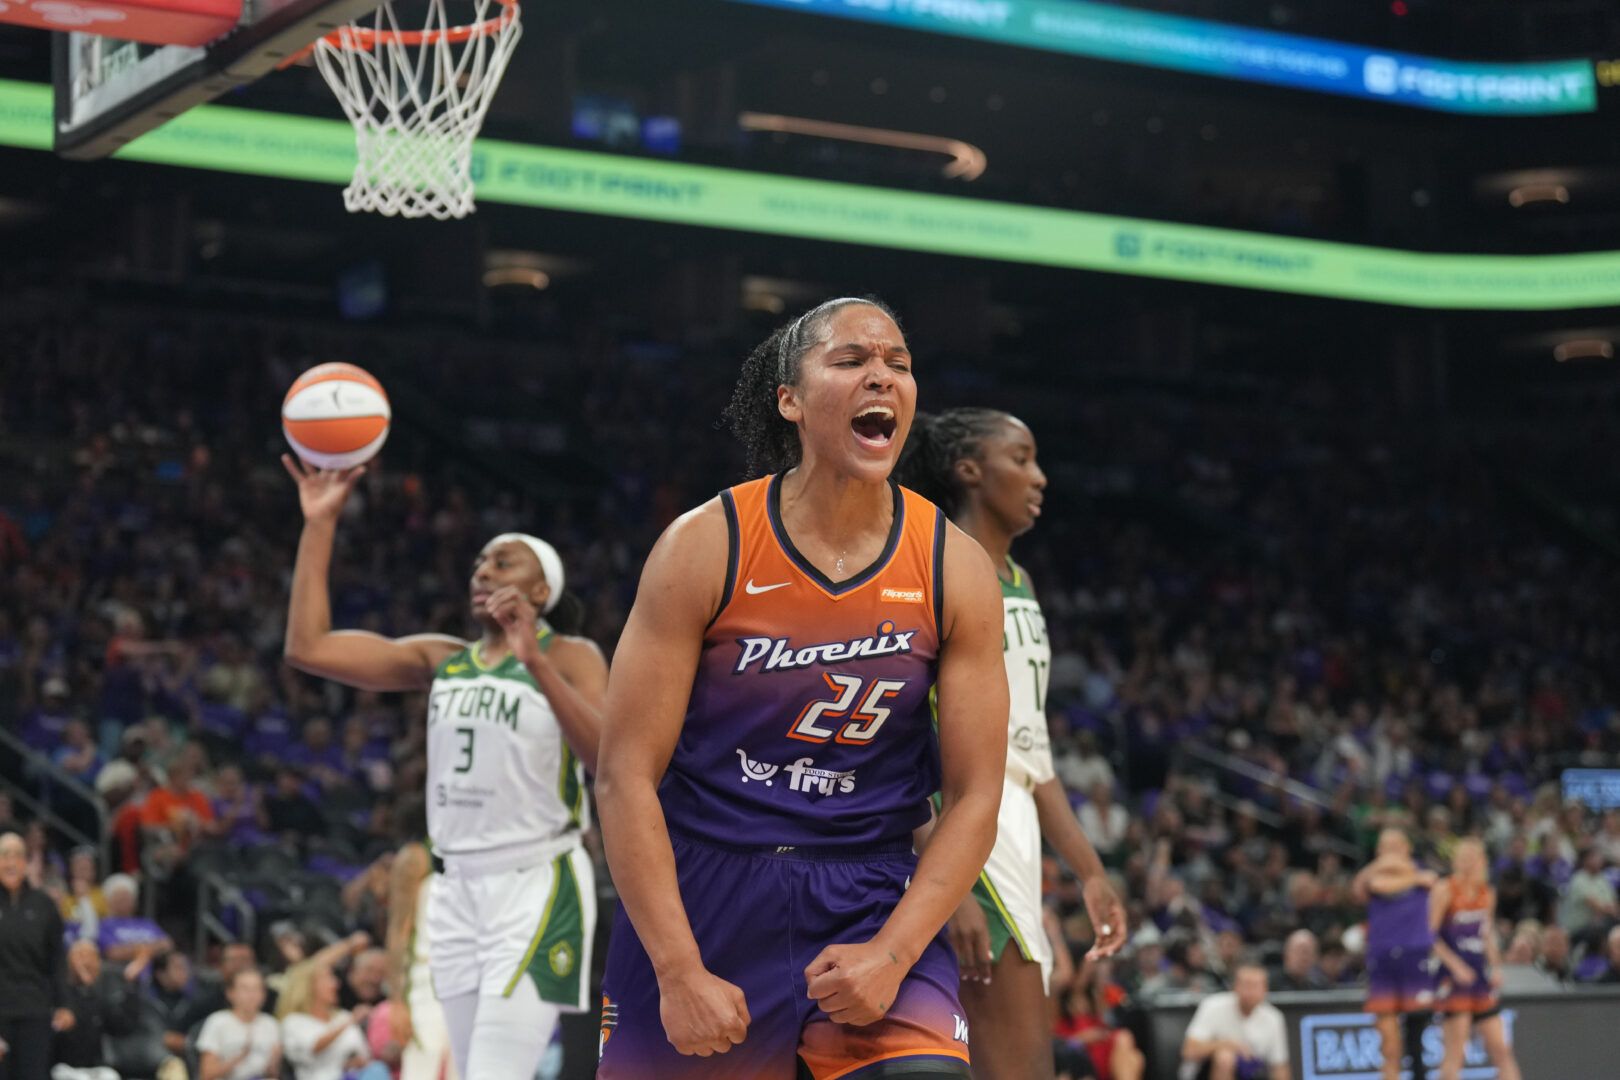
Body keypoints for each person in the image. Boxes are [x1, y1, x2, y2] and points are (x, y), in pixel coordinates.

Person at [594, 297, 1009, 1079]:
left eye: (898, 363)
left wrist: (894, 951)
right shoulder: (705, 545)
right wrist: (679, 971)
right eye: (851, 361)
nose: (880, 376)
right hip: (706, 886)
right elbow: (623, 776)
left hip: (869, 887)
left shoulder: (952, 567)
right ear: (789, 399)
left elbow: (978, 795)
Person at [282, 455, 606, 1080]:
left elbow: (609, 758)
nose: (483, 570)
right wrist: (320, 523)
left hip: (536, 882)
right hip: (454, 888)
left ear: (543, 592)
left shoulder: (569, 655)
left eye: (503, 562)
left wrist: (533, 660)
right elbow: (308, 647)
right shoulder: (443, 659)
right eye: (479, 563)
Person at [894, 408, 1127, 1079]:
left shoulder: (1018, 582)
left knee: (1024, 1059)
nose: (1040, 477)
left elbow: (1034, 752)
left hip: (1016, 828)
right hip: (967, 830)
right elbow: (901, 735)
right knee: (1018, 1065)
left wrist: (1088, 870)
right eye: (1021, 458)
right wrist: (949, 881)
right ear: (970, 470)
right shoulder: (937, 571)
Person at [1433, 839, 1521, 1080]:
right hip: (1453, 978)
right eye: (1464, 857)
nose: (1468, 863)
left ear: (1483, 862)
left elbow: (1486, 934)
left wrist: (1495, 966)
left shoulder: (1487, 893)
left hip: (1479, 977)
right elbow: (1429, 936)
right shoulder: (1446, 889)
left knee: (1502, 1049)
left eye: (1473, 858)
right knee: (1456, 1052)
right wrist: (1456, 966)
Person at [1354, 829, 1438, 1080]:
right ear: (1378, 851)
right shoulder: (1376, 876)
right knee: (1390, 1046)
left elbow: (1430, 880)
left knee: (1417, 1041)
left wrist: (1406, 874)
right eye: (1385, 846)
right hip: (1383, 960)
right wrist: (1409, 878)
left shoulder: (1424, 871)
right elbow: (1365, 887)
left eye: (1396, 845)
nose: (1391, 851)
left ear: (1407, 848)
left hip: (1415, 959)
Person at [384, 817, 459, 1080]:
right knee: (422, 1067)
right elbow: (398, 930)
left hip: (476, 974)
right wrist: (396, 1000)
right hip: (428, 976)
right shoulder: (417, 856)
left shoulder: (487, 854)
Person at [0, 829, 75, 1080]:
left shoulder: (44, 905)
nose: (11, 862)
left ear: (27, 862)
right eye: (4, 855)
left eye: (18, 855)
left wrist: (63, 1004)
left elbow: (56, 961)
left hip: (35, 1010)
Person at [53, 939, 150, 1080]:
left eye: (92, 957)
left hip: (93, 1069)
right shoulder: (57, 993)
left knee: (109, 1076)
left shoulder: (98, 997)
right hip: (61, 1067)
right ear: (68, 962)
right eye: (80, 956)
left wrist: (130, 984)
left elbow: (124, 1027)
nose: (87, 962)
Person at [276, 955, 384, 1080]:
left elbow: (364, 1054)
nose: (336, 984)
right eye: (328, 977)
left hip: (354, 1076)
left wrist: (357, 1062)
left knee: (378, 1068)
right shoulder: (293, 1021)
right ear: (309, 985)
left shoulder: (343, 1015)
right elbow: (313, 1048)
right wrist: (351, 1021)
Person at [1177, 964, 1289, 1080]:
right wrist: (1228, 1044)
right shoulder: (1212, 1006)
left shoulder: (1274, 1017)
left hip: (1252, 1073)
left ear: (1265, 990)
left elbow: (1279, 1065)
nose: (1250, 991)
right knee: (1225, 1057)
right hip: (1203, 1073)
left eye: (1255, 986)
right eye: (1246, 985)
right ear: (1234, 987)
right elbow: (1189, 1051)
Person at [195, 967, 282, 1080]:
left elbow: (273, 1074)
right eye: (245, 989)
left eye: (256, 989)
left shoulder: (271, 1024)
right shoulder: (217, 1021)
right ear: (230, 993)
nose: (252, 995)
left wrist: (273, 1063)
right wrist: (240, 1057)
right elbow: (206, 1074)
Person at [95, 876, 171, 963]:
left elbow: (167, 944)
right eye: (120, 898)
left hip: (152, 973)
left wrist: (131, 950)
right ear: (109, 901)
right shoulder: (103, 925)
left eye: (127, 897)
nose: (124, 901)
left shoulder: (146, 923)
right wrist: (153, 948)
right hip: (119, 974)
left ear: (135, 901)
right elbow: (114, 953)